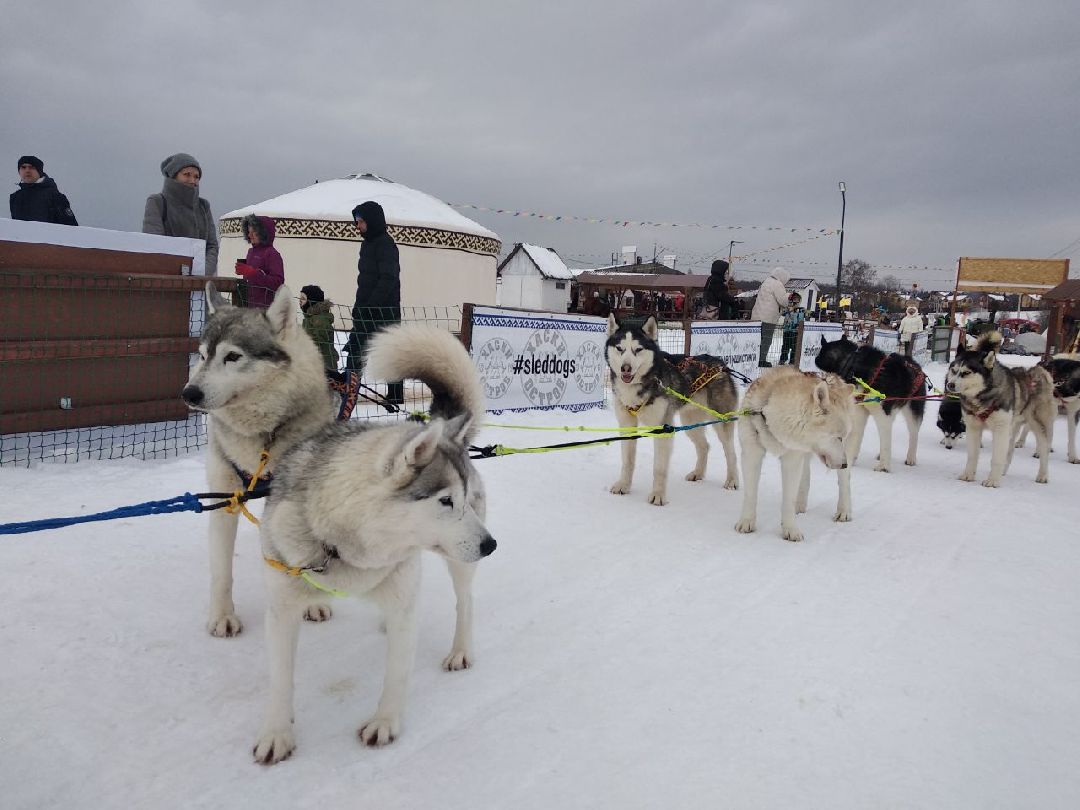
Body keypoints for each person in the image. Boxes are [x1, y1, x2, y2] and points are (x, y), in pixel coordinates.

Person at [344, 200, 403, 405]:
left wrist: (371, 305)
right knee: (355, 348)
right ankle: (349, 389)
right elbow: (366, 280)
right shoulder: (367, 243)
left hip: (384, 311)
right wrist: (360, 305)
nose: (357, 226)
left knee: (390, 353)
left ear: (372, 221)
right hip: (366, 308)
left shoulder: (386, 244)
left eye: (360, 222)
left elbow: (388, 278)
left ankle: (395, 395)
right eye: (356, 222)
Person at [142, 153, 218, 276]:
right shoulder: (157, 202)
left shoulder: (203, 206)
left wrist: (203, 273)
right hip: (167, 281)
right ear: (173, 175)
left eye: (196, 176)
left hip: (199, 285)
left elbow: (212, 246)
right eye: (186, 174)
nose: (193, 180)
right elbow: (154, 243)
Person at [234, 214, 284, 308]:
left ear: (263, 233)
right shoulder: (251, 252)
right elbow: (252, 275)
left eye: (253, 232)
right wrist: (243, 270)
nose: (249, 235)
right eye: (248, 232)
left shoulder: (272, 254)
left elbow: (278, 282)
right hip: (247, 305)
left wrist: (252, 273)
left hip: (265, 309)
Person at [10, 156, 78, 225]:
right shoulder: (15, 198)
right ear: (19, 172)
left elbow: (71, 227)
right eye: (23, 167)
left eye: (32, 167)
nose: (27, 170)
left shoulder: (55, 196)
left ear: (39, 171)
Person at [750, 266, 791, 366]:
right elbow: (783, 301)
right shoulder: (777, 284)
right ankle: (761, 360)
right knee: (767, 339)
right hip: (768, 318)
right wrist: (789, 296)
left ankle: (754, 358)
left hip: (757, 316)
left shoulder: (766, 282)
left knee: (758, 339)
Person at [779, 292, 805, 365]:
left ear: (799, 301)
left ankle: (792, 361)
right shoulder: (787, 308)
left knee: (794, 347)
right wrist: (789, 308)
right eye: (794, 299)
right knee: (785, 346)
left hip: (795, 331)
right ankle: (783, 359)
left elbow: (801, 318)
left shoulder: (801, 309)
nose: (795, 301)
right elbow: (782, 313)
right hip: (787, 330)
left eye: (797, 299)